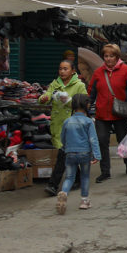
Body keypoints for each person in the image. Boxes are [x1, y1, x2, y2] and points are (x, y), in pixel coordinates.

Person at [87, 43, 127, 182]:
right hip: (102, 114)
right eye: (106, 56)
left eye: (111, 56)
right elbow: (91, 92)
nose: (108, 59)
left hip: (120, 113)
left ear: (117, 57)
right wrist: (86, 107)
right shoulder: (98, 72)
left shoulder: (126, 70)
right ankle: (105, 172)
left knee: (123, 142)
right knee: (102, 141)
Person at [41, 59, 88, 195]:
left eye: (65, 69)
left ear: (73, 71)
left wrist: (68, 101)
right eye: (61, 69)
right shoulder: (55, 83)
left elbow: (84, 103)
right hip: (58, 123)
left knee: (63, 153)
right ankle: (78, 179)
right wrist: (43, 98)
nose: (62, 71)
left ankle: (53, 185)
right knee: (67, 153)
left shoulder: (79, 85)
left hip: (73, 125)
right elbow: (48, 94)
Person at [55, 94, 100, 214]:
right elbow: (93, 139)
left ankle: (64, 193)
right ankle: (84, 201)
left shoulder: (67, 121)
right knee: (84, 176)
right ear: (87, 105)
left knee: (69, 177)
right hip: (85, 153)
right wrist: (97, 155)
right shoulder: (88, 121)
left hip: (70, 153)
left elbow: (62, 138)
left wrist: (65, 148)